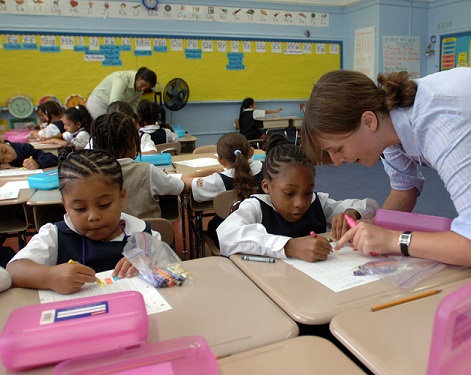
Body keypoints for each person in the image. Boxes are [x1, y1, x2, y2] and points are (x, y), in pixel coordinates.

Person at [302, 68, 471, 266]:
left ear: (368, 121)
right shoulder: (387, 126)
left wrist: (392, 240)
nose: (337, 161)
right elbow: (404, 190)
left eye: (338, 149)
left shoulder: (439, 125)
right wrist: (373, 227)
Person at [6, 148, 161, 295]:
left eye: (104, 205)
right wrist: (50, 276)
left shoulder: (142, 233)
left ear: (122, 197)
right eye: (79, 208)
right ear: (65, 205)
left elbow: (170, 269)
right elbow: (14, 270)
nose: (93, 216)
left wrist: (147, 263)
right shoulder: (55, 235)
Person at [217, 134, 378, 261]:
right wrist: (289, 247)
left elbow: (370, 206)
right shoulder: (256, 207)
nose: (300, 203)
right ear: (266, 186)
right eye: (289, 193)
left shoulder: (317, 202)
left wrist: (351, 212)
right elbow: (226, 235)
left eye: (307, 192)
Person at [91, 112, 184, 219]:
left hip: (108, 234)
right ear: (132, 143)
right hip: (148, 232)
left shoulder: (88, 175)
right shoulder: (147, 171)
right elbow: (180, 187)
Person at [182, 132, 264, 247]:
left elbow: (185, 179)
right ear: (251, 152)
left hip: (229, 235)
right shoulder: (265, 169)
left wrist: (211, 170)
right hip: (262, 229)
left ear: (221, 160)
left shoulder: (218, 180)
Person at [86, 67, 157, 119]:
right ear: (139, 77)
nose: (143, 89)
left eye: (146, 88)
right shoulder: (121, 79)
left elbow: (134, 105)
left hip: (114, 107)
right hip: (99, 104)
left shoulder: (139, 88)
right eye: (143, 85)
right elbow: (114, 104)